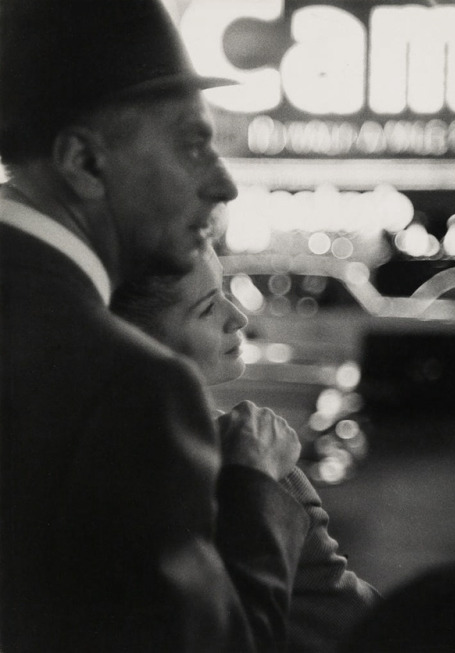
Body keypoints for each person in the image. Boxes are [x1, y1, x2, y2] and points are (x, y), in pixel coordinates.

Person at [0, 1, 311, 651]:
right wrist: (254, 490)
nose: (223, 183)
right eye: (192, 144)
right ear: (84, 162)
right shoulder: (134, 388)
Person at [111, 246, 380, 652]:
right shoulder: (251, 457)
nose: (238, 316)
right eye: (207, 308)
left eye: (224, 292)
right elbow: (344, 612)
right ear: (144, 343)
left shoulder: (103, 448)